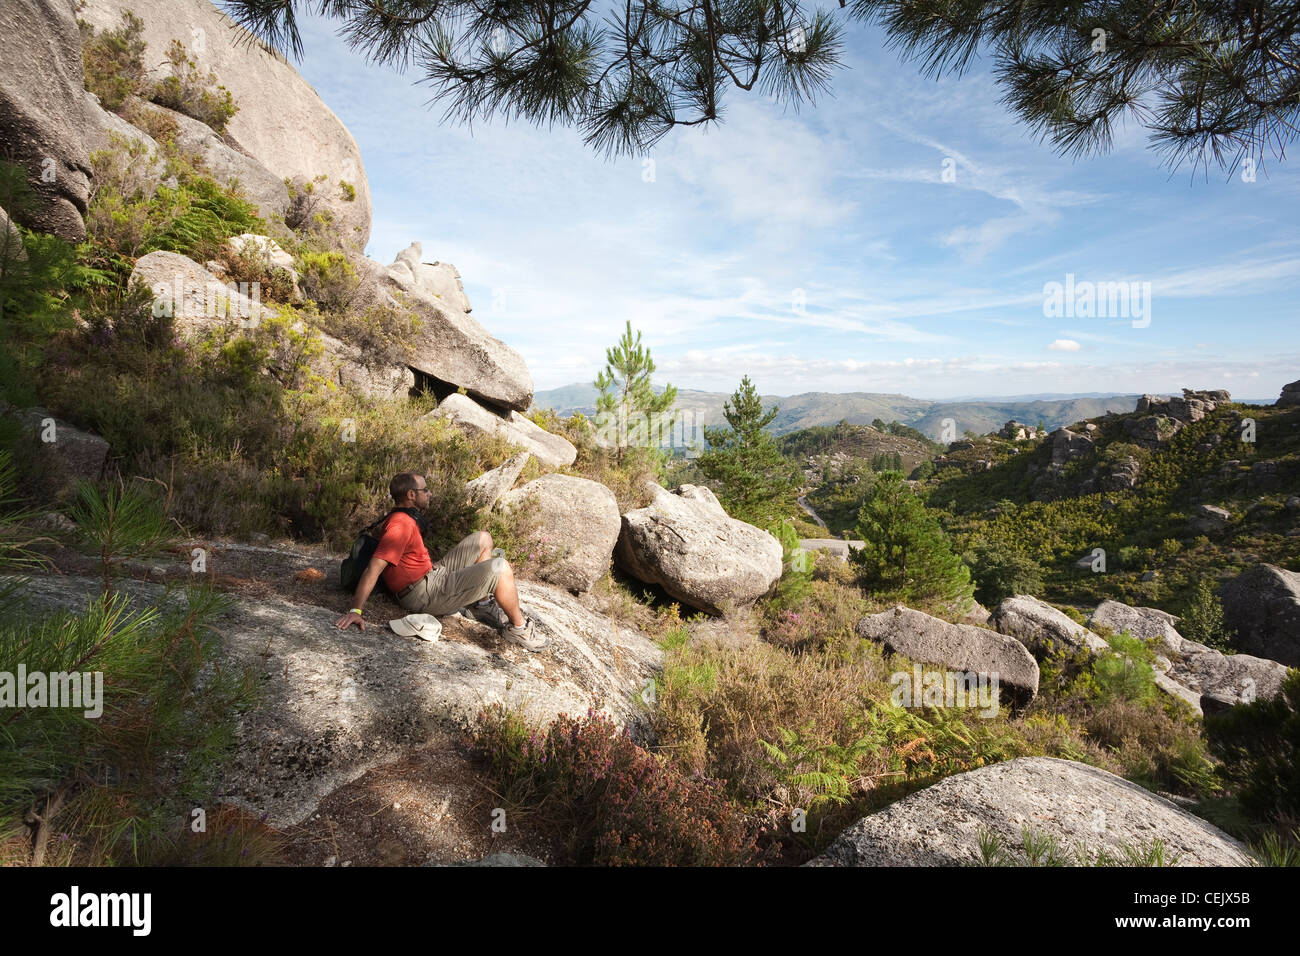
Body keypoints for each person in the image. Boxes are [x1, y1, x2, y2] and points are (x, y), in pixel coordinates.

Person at [334, 472, 546, 651]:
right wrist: (355, 611)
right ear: (411, 495)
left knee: (483, 538)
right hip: (422, 594)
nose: (429, 493)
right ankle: (519, 630)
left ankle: (480, 605)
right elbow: (374, 568)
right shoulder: (401, 525)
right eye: (424, 490)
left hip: (431, 575)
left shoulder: (402, 516)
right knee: (501, 567)